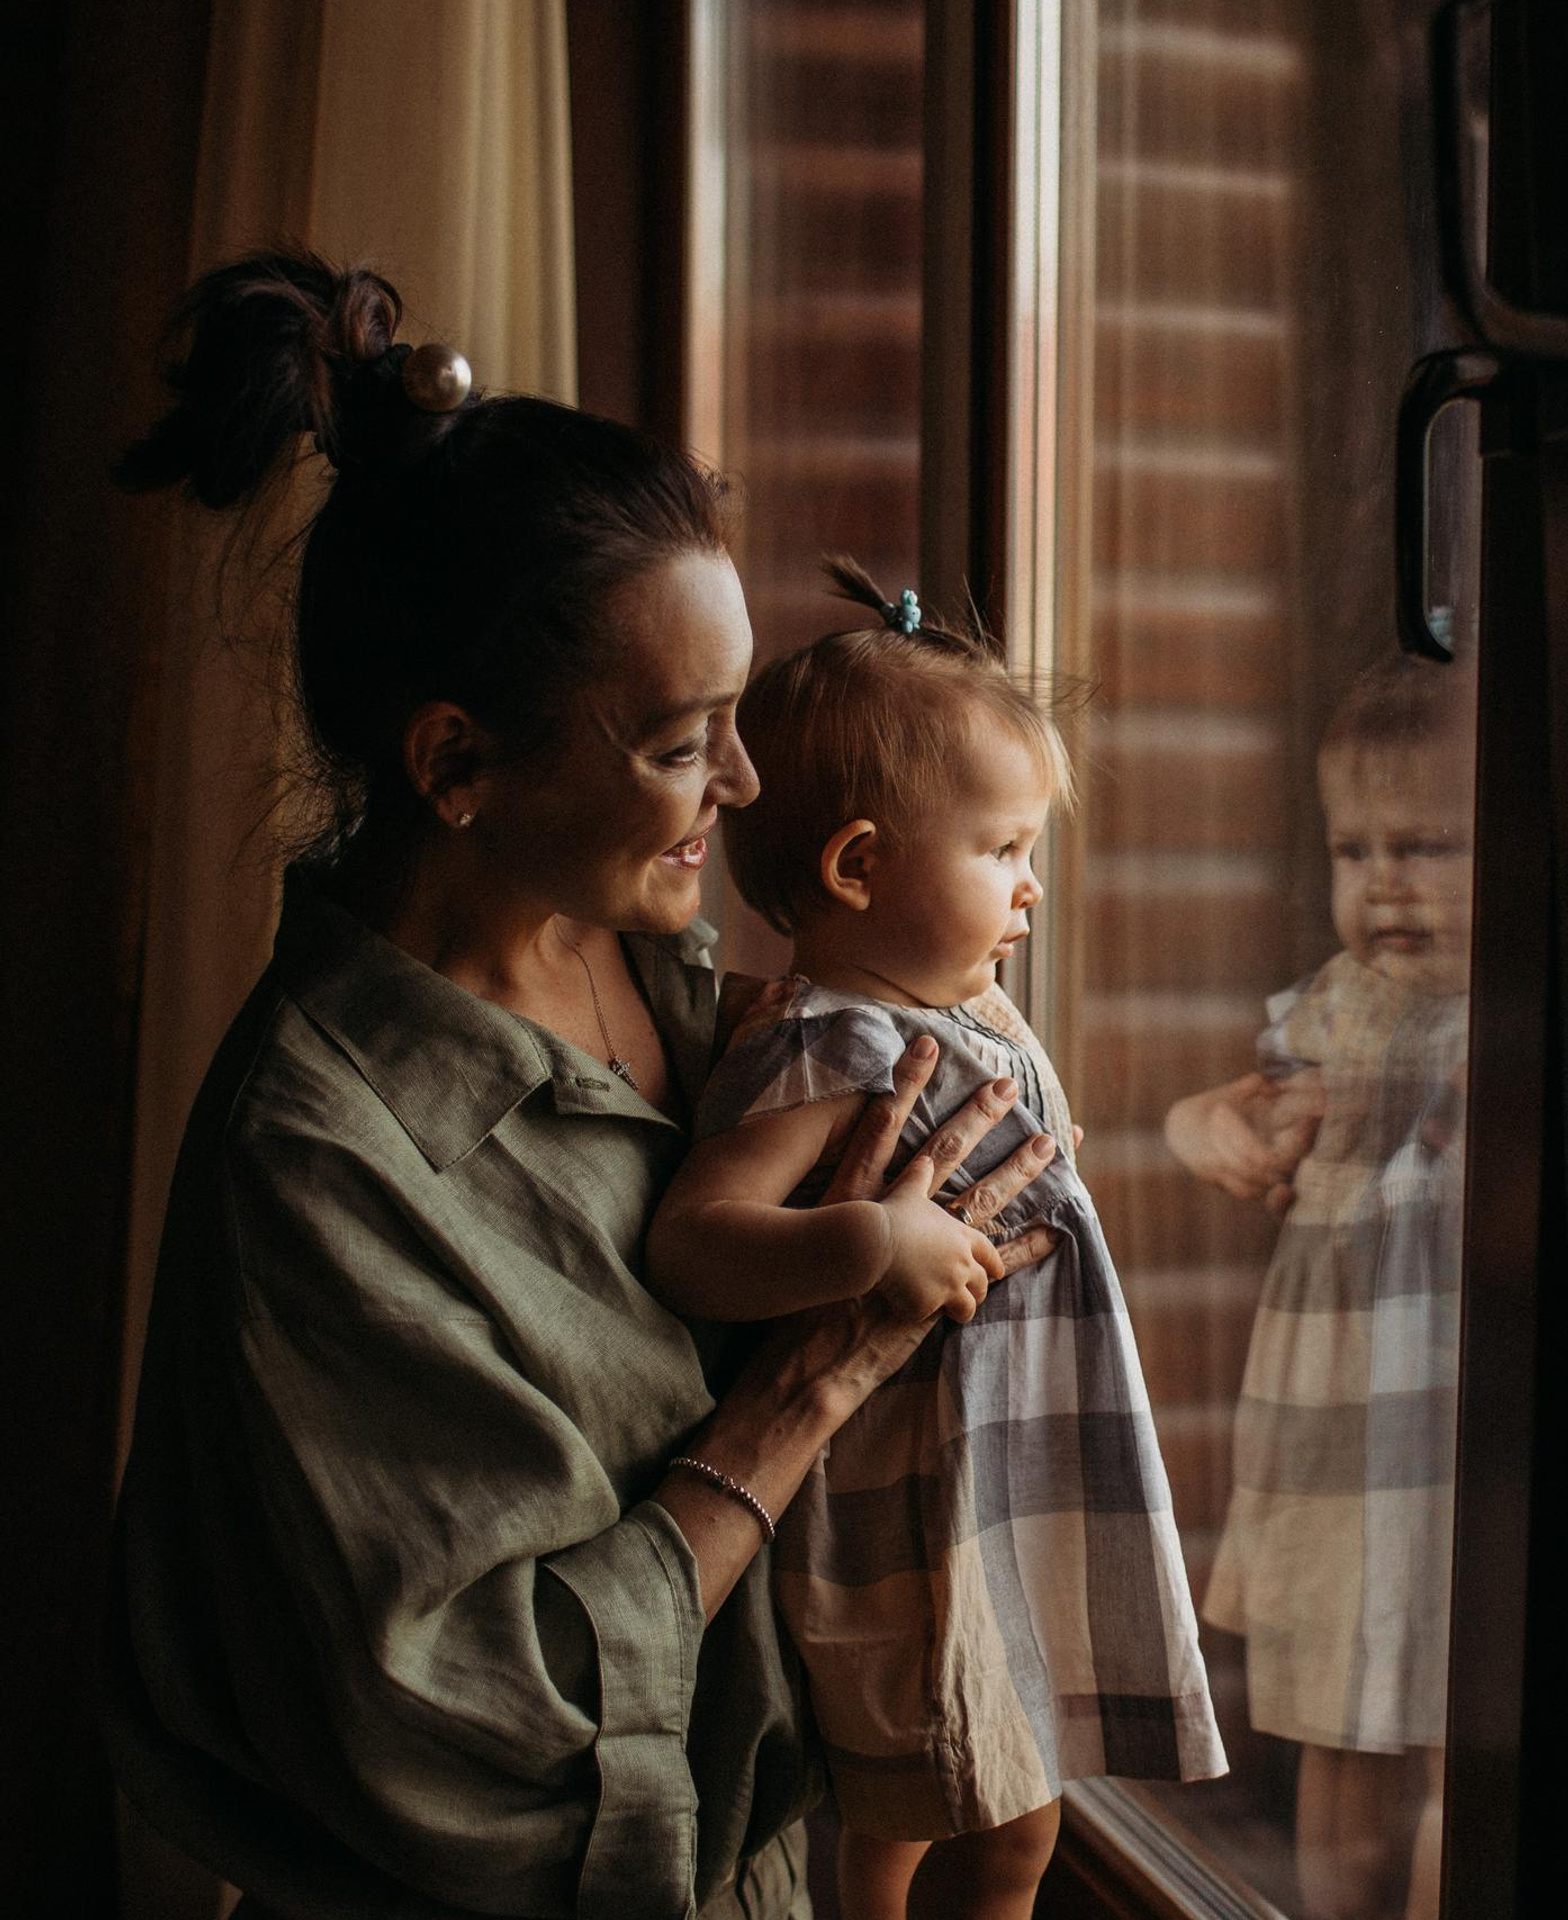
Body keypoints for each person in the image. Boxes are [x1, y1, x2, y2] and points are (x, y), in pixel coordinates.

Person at [102, 250, 1066, 1920]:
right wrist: (795, 1403)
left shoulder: (699, 994)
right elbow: (483, 1734)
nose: (748, 784)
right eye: (684, 745)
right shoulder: (323, 1165)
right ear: (458, 763)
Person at [646, 565, 1227, 1920]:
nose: (1029, 892)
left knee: (1008, 1816)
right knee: (922, 1814)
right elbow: (694, 1242)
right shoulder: (824, 1046)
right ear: (858, 867)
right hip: (912, 1507)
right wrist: (869, 1247)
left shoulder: (951, 1011)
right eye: (1003, 851)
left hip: (999, 1478)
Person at [1163, 651, 1476, 1920]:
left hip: (1448, 1445)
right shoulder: (1333, 1009)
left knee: (1465, 1741)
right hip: (1336, 1447)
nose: (1387, 882)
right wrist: (1207, 1129)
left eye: (1429, 845)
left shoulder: (1500, 1020)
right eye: (1358, 851)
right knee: (1339, 1748)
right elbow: (1230, 1110)